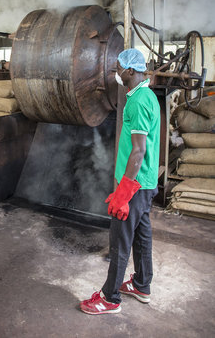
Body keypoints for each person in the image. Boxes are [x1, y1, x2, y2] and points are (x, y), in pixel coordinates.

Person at [80, 48, 160, 315]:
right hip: (146, 183)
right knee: (142, 236)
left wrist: (124, 191)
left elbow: (138, 151)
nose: (116, 73)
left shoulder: (137, 102)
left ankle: (110, 297)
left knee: (120, 240)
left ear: (131, 71)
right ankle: (141, 285)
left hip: (135, 185)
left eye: (118, 68)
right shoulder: (146, 96)